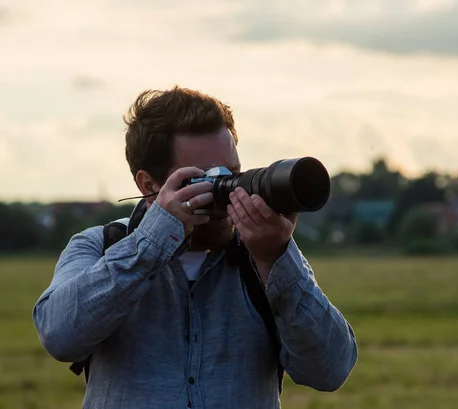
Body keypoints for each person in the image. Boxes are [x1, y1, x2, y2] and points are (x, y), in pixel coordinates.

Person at [32, 86, 358, 409]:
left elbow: (330, 371)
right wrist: (154, 241)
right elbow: (60, 336)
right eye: (202, 178)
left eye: (231, 174)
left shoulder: (263, 256)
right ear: (148, 186)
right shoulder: (101, 246)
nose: (221, 190)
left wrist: (276, 259)